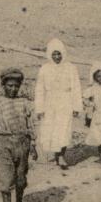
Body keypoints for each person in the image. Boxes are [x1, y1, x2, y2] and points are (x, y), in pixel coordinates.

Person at [0, 67, 37, 202]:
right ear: (3, 85)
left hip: (23, 143)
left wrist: (34, 144)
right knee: (6, 179)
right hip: (5, 143)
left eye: (16, 86)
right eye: (9, 86)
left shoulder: (25, 103)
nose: (13, 89)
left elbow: (31, 124)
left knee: (21, 178)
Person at [34, 38, 82, 169]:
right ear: (49, 54)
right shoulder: (44, 68)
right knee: (50, 128)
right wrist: (39, 108)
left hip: (66, 102)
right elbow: (39, 89)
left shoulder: (71, 68)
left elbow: (76, 87)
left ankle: (61, 155)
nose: (57, 57)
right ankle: (54, 154)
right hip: (50, 102)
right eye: (54, 54)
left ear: (63, 53)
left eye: (59, 53)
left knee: (63, 128)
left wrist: (77, 106)